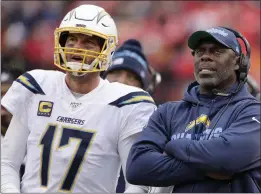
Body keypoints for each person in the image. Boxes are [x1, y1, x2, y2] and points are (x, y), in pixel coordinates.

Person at [1, 4, 156, 193]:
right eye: (72, 40)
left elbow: (137, 181)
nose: (77, 48)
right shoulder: (36, 86)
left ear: (106, 50)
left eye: (88, 43)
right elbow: (8, 162)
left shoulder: (125, 104)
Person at [126, 27, 261, 193]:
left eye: (217, 51)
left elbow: (228, 158)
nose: (205, 56)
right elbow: (137, 168)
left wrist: (173, 146)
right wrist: (210, 167)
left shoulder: (252, 112)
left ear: (238, 62)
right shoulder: (168, 112)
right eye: (199, 52)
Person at [103, 39, 161, 193]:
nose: (122, 81)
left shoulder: (151, 124)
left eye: (132, 77)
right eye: (115, 73)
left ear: (145, 88)